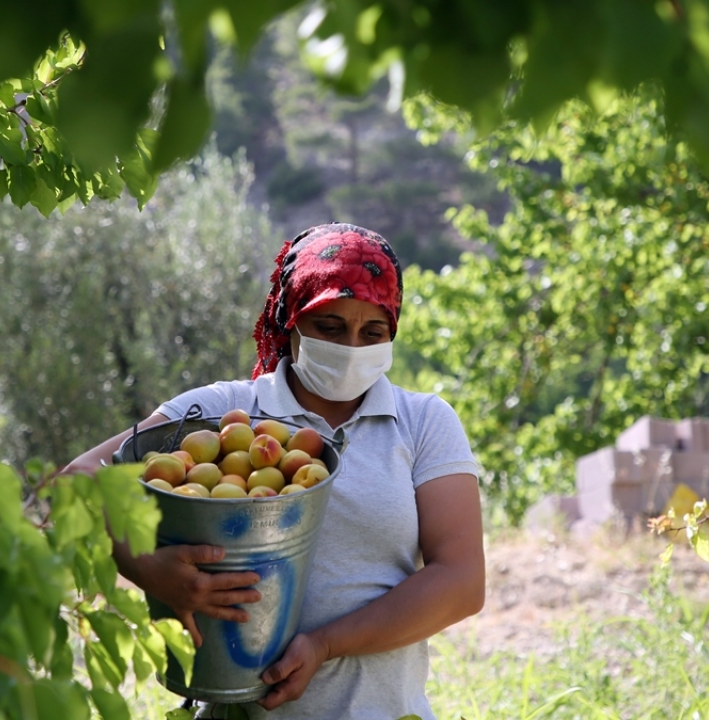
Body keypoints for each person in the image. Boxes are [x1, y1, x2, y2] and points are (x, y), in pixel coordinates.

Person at [62, 223, 484, 719]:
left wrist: (325, 644)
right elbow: (76, 480)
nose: (350, 347)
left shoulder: (422, 423)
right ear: (291, 321)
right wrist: (144, 566)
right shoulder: (226, 413)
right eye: (329, 327)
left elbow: (460, 580)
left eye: (372, 333)